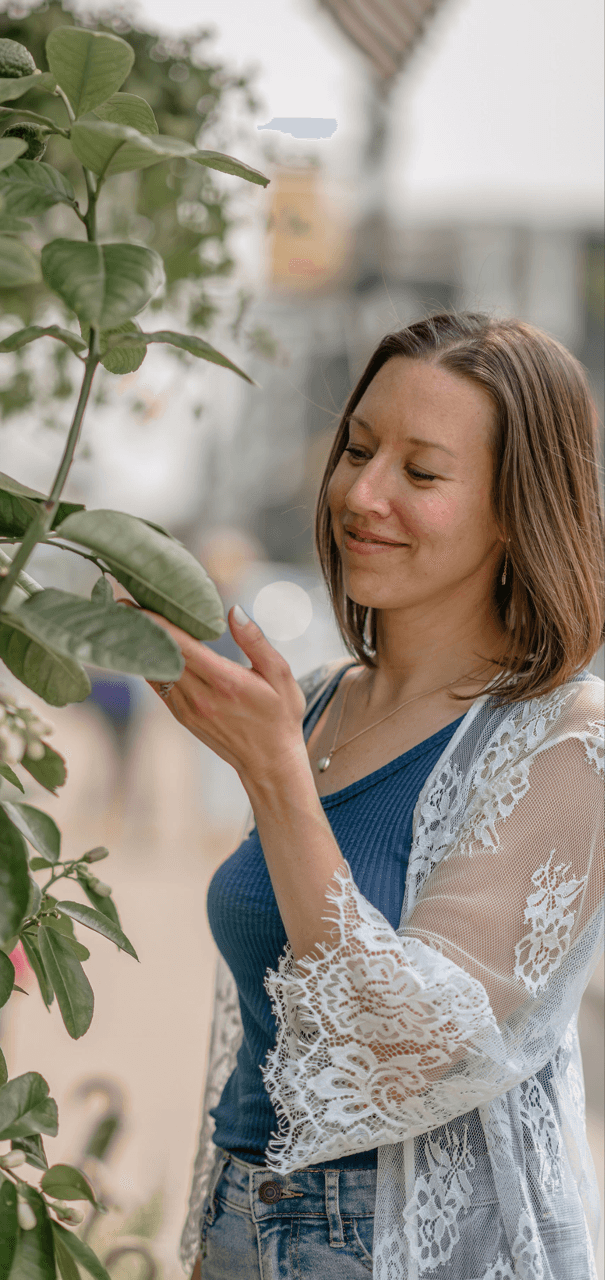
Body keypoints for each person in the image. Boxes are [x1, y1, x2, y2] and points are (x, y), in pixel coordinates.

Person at [121, 313, 604, 1279]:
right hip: (239, 1212)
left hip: (387, 1245)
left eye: (421, 474)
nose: (362, 493)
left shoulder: (567, 740)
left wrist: (272, 777)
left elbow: (416, 1046)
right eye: (356, 448)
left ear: (517, 508)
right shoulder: (315, 705)